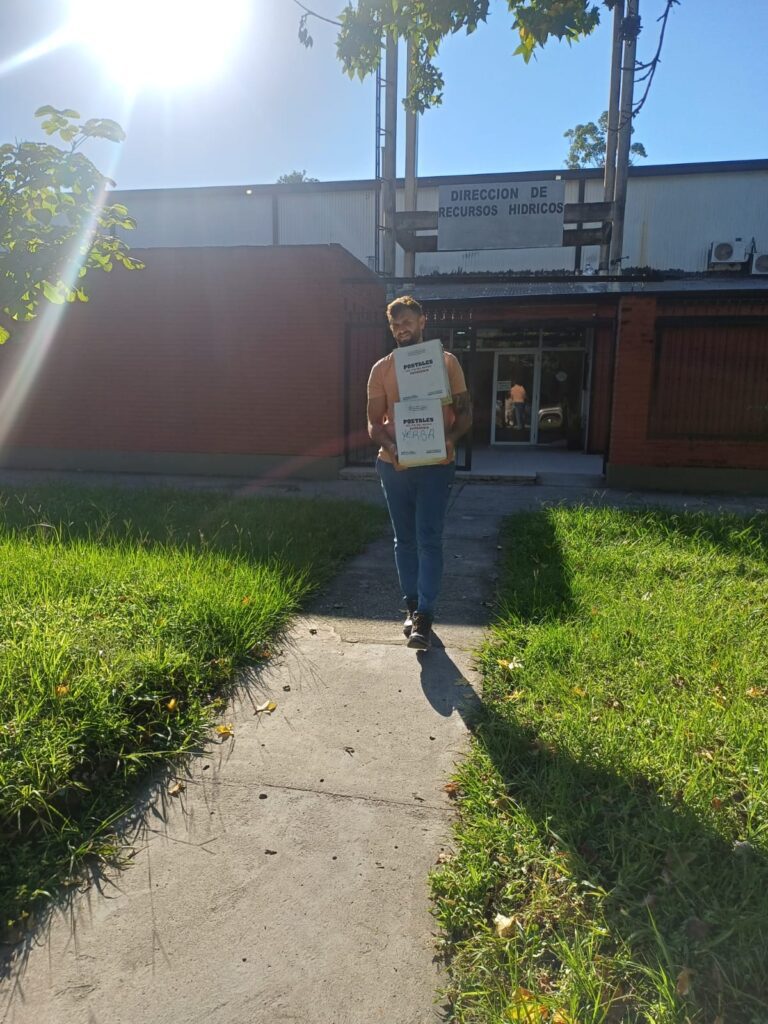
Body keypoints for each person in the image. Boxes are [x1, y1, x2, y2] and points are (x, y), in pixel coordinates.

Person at [367, 296, 472, 651]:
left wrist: (448, 441)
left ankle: (425, 614)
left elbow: (465, 413)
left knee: (428, 537)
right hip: (395, 465)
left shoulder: (446, 362)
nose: (402, 329)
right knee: (404, 540)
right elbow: (373, 423)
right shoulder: (381, 369)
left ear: (422, 321)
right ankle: (411, 607)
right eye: (396, 325)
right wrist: (392, 447)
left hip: (435, 466)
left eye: (408, 322)